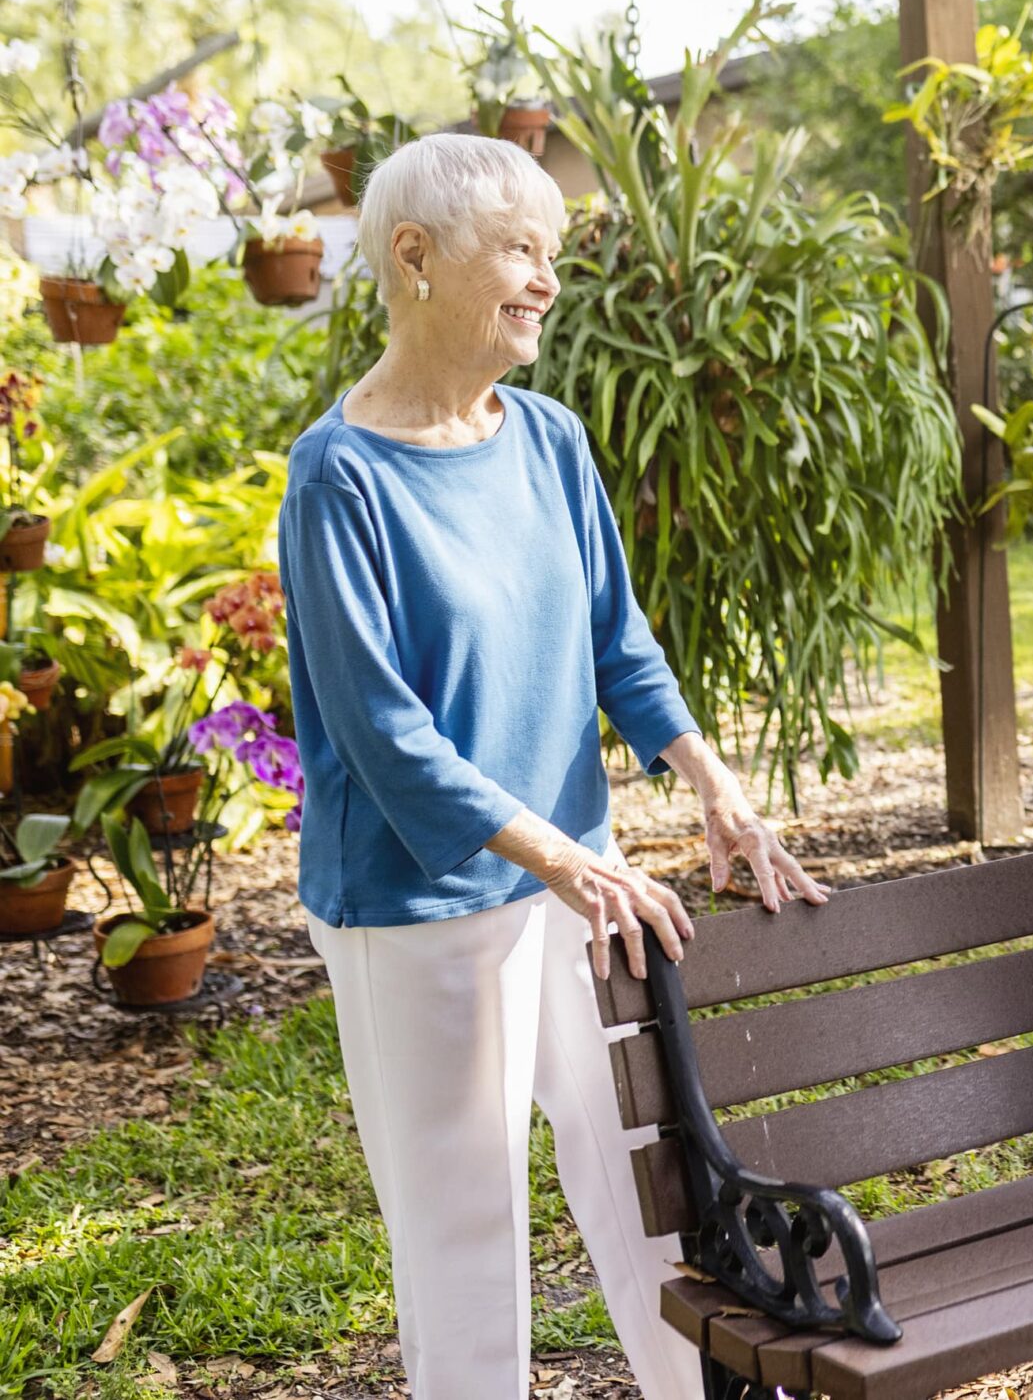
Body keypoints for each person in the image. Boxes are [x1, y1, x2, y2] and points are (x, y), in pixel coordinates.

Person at [278, 134, 831, 1400]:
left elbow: (615, 643)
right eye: (520, 250)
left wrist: (708, 779)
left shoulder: (546, 438)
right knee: (463, 1232)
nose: (545, 281)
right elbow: (385, 735)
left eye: (553, 255)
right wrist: (565, 859)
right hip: (423, 906)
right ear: (413, 257)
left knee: (654, 1196)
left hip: (581, 885)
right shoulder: (340, 476)